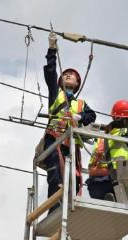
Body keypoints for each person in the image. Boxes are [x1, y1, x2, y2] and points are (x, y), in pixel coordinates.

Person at [43, 32, 96, 213]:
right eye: (65, 74)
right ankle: (54, 210)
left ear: (77, 83)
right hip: (54, 140)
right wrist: (52, 48)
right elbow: (50, 73)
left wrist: (79, 117)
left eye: (72, 75)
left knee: (73, 178)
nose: (68, 75)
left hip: (71, 145)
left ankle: (69, 208)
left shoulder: (80, 104)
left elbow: (92, 115)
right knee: (56, 176)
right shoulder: (55, 94)